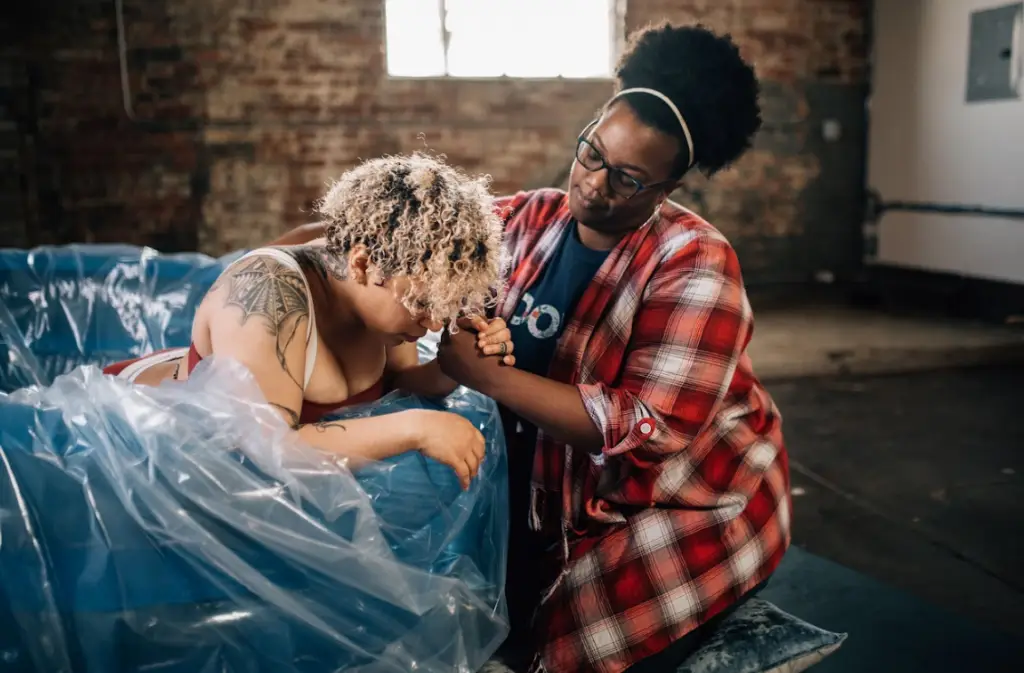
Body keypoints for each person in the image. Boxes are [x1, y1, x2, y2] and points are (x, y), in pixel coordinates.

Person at [276, 22, 791, 673]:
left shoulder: (694, 262)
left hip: (676, 499)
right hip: (546, 486)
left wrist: (483, 375)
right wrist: (288, 260)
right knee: (449, 603)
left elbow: (647, 428)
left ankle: (742, 629)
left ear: (669, 189)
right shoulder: (528, 219)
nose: (595, 184)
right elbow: (404, 231)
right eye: (592, 152)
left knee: (572, 637)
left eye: (628, 179)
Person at [104, 153, 517, 491]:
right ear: (362, 264)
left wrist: (456, 366)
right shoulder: (270, 290)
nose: (432, 324)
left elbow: (397, 384)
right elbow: (264, 448)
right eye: (424, 304)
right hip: (135, 455)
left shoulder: (389, 292)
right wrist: (417, 428)